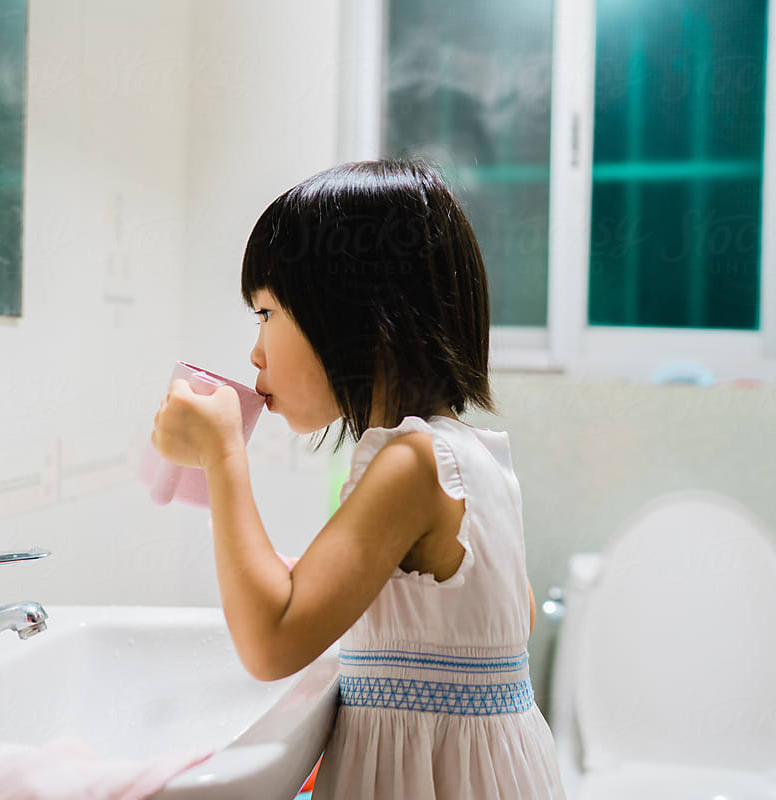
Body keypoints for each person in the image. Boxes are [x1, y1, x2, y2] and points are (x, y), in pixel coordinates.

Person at [149, 159, 566, 799]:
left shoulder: (410, 464)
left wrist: (222, 456)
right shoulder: (471, 457)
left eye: (266, 314)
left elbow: (270, 644)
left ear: (355, 316)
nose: (255, 351)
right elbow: (511, 613)